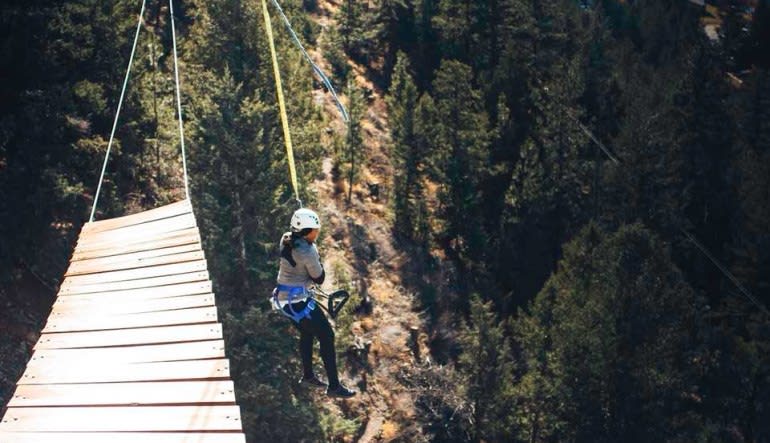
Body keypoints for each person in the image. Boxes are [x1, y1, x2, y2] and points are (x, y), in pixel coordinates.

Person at [272, 208, 356, 398]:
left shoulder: (286, 238)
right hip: (299, 302)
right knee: (327, 336)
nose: (317, 233)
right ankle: (334, 386)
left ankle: (308, 375)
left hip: (285, 301)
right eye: (315, 230)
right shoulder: (307, 251)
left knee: (307, 332)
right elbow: (319, 278)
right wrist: (315, 254)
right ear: (305, 230)